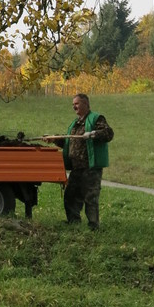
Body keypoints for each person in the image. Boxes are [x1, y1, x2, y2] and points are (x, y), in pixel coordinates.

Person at [44, 93, 114, 230]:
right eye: (73, 104)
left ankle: (94, 226)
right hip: (76, 168)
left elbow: (108, 133)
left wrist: (93, 134)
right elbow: (68, 142)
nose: (74, 107)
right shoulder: (75, 123)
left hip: (90, 167)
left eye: (76, 103)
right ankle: (73, 223)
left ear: (86, 104)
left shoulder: (96, 118)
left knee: (90, 197)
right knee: (70, 196)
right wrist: (54, 139)